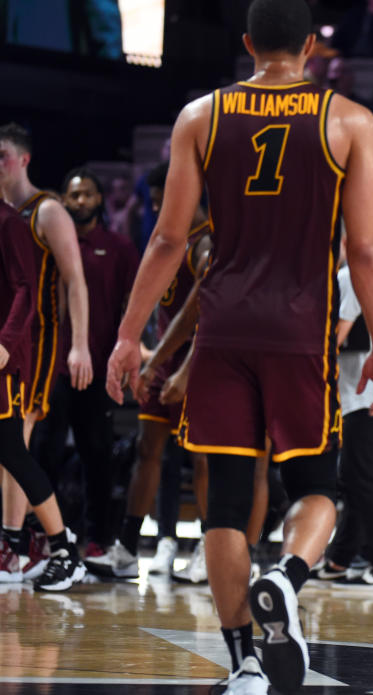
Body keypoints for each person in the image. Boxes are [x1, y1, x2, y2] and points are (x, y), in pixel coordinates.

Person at [105, 2, 373, 693]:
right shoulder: (350, 120)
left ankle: (242, 663)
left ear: (245, 45)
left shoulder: (198, 117)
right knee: (317, 487)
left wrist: (129, 336)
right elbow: (363, 248)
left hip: (223, 331)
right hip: (300, 330)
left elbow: (169, 241)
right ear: (312, 45)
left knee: (225, 503)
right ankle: (286, 575)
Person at [84, 161, 212, 580]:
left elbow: (203, 316)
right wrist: (143, 350)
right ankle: (126, 545)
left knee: (201, 458)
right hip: (164, 357)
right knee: (147, 450)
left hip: (200, 359)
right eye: (155, 203)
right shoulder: (166, 240)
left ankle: (208, 550)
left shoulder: (207, 242)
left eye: (164, 201)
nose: (159, 209)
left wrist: (179, 369)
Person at [0, 122, 93, 580]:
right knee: (11, 447)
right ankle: (24, 542)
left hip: (38, 339)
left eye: (3, 154)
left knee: (17, 444)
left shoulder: (47, 210)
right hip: (11, 336)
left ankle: (17, 545)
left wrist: (80, 346)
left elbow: (75, 280)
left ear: (23, 159)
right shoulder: (6, 213)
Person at [29, 168, 138, 555]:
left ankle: (98, 540)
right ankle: (43, 538)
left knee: (98, 455)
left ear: (100, 199)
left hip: (99, 364)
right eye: (73, 195)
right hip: (52, 365)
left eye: (87, 195)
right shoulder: (48, 243)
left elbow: (132, 305)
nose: (79, 202)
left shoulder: (121, 248)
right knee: (44, 453)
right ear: (63, 200)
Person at [317, 260, 373, 586]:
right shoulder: (348, 274)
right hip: (363, 391)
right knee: (354, 477)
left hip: (369, 392)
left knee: (360, 476)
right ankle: (339, 559)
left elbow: (339, 333)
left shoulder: (350, 273)